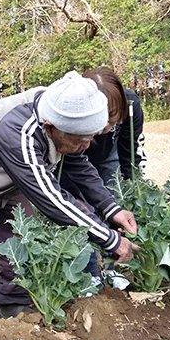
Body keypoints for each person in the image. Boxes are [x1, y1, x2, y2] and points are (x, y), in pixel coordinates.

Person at [0, 71, 139, 318]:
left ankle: (14, 301)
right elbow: (53, 200)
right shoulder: (19, 132)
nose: (86, 146)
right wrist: (110, 239)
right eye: (82, 139)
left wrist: (111, 209)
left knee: (21, 231)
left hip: (8, 171)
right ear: (51, 128)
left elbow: (80, 165)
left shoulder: (62, 110)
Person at [58, 67, 145, 285]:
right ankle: (88, 275)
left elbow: (129, 149)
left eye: (113, 119)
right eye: (101, 118)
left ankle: (111, 268)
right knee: (81, 212)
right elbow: (72, 159)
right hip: (75, 158)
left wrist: (129, 184)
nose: (105, 126)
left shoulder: (131, 106)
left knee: (113, 210)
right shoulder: (76, 110)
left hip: (108, 158)